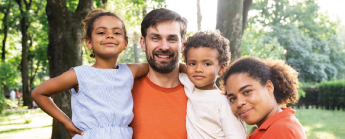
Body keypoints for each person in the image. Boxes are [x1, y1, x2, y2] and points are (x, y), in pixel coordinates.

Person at [31, 9, 148, 139]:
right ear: (89, 42)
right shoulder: (80, 74)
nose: (110, 36)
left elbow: (159, 66)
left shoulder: (130, 71)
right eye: (101, 32)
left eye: (117, 32)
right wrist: (66, 122)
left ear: (125, 42)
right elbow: (38, 93)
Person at [130, 8, 188, 138]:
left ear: (183, 45)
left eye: (172, 39)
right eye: (155, 38)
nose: (164, 47)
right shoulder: (124, 88)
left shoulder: (198, 93)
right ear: (143, 43)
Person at [179, 30, 247, 138]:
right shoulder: (188, 84)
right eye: (192, 63)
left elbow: (236, 136)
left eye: (207, 64)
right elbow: (175, 67)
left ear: (221, 68)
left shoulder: (222, 102)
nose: (198, 69)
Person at [222, 57, 307, 139]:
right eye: (232, 99)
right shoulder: (271, 128)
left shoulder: (282, 130)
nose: (239, 103)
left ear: (269, 87)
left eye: (247, 92)